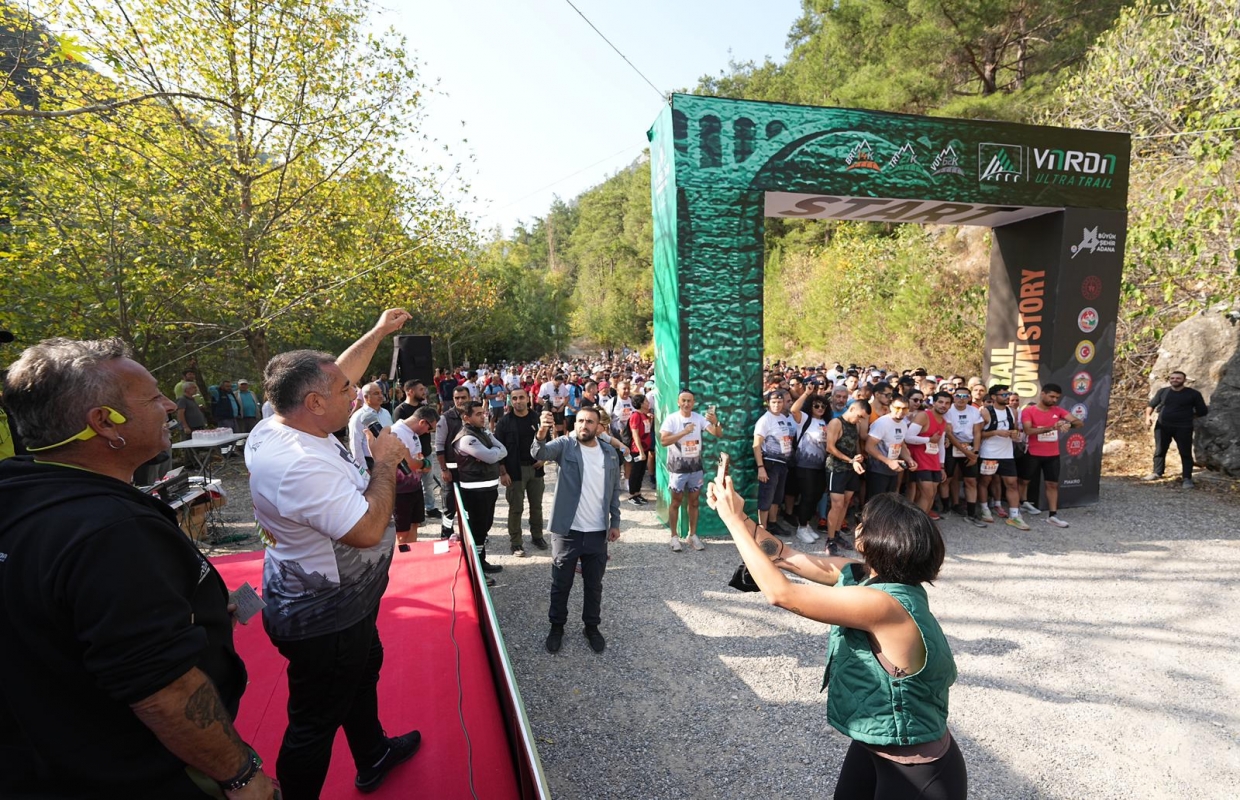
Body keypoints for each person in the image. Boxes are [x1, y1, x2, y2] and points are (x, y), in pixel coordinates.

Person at [1, 338, 275, 799]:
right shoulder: (113, 531)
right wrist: (242, 776)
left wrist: (192, 605)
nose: (169, 405)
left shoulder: (20, 490)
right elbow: (162, 689)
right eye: (152, 398)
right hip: (137, 771)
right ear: (105, 423)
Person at [245, 309, 422, 799]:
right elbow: (366, 530)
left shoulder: (281, 422)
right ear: (315, 403)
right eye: (347, 391)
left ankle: (373, 754)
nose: (357, 393)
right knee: (315, 722)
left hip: (345, 608)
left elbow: (337, 373)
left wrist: (379, 331)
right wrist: (385, 462)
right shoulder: (300, 464)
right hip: (325, 619)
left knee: (363, 673)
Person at [707, 479, 966, 800]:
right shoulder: (867, 576)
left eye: (862, 521)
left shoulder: (884, 605)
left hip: (919, 773)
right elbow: (784, 555)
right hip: (877, 745)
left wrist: (732, 520)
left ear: (875, 539)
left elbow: (782, 594)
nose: (856, 525)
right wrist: (738, 513)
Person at [533, 405, 622, 655]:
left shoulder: (609, 453)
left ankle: (591, 627)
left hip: (597, 533)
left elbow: (614, 490)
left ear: (599, 427)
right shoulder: (565, 445)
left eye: (590, 422)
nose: (584, 425)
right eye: (580, 421)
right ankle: (556, 627)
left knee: (594, 585)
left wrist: (615, 522)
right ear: (575, 424)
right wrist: (542, 431)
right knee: (561, 584)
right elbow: (539, 452)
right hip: (567, 532)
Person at [659, 390, 723, 552]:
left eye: (689, 401)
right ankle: (674, 537)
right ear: (678, 402)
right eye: (684, 401)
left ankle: (692, 535)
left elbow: (717, 434)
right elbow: (664, 441)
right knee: (676, 502)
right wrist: (683, 432)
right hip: (678, 468)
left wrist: (716, 422)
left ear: (693, 403)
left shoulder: (699, 418)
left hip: (695, 468)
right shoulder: (672, 419)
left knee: (694, 502)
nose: (686, 404)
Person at [452, 400, 508, 576]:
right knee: (477, 531)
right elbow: (492, 457)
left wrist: (492, 452)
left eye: (483, 413)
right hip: (474, 492)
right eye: (478, 414)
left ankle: (481, 562)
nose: (483, 417)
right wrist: (492, 453)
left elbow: (503, 450)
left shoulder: (483, 432)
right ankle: (475, 570)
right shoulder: (466, 438)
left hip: (488, 489)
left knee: (484, 529)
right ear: (466, 418)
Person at [1019, 383, 1083, 528]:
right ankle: (1022, 503)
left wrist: (1069, 425)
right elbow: (1028, 430)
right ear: (1043, 394)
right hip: (1033, 452)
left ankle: (1053, 515)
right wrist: (1052, 428)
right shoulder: (1029, 411)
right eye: (1051, 396)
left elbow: (1079, 423)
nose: (1054, 400)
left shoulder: (1058, 410)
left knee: (1052, 484)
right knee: (1024, 481)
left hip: (1052, 454)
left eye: (1057, 398)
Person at [496, 388, 548, 557]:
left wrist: (544, 459)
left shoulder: (537, 418)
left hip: (536, 469)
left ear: (527, 399)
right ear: (511, 401)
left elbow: (548, 441)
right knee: (516, 508)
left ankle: (537, 536)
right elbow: (498, 449)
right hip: (514, 471)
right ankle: (516, 542)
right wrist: (503, 472)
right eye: (514, 398)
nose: (518, 401)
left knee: (537, 507)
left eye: (521, 397)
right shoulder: (504, 422)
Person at [1143, 370, 1209, 488]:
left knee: (1185, 453)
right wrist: (1148, 417)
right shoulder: (1163, 392)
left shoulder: (1193, 394)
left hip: (1183, 427)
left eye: (1178, 378)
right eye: (1172, 378)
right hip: (1162, 426)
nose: (1175, 380)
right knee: (1160, 450)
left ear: (1184, 380)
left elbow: (1202, 411)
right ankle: (1157, 472)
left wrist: (1188, 415)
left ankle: (1187, 478)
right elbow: (1151, 405)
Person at [391, 406, 439, 551]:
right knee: (402, 533)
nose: (428, 432)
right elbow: (410, 463)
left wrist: (422, 463)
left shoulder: (413, 433)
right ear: (422, 422)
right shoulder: (397, 432)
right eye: (429, 429)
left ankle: (413, 558)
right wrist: (424, 464)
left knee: (414, 525)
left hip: (415, 487)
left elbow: (418, 458)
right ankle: (402, 561)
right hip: (400, 491)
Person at [394, 380, 441, 519]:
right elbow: (408, 461)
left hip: (423, 451)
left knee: (427, 483)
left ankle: (429, 507)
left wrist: (423, 461)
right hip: (405, 478)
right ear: (410, 391)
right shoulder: (401, 413)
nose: (424, 392)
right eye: (420, 389)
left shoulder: (424, 409)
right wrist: (422, 463)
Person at [754, 390, 797, 536]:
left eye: (779, 402)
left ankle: (772, 524)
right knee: (766, 496)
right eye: (773, 402)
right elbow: (756, 445)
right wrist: (760, 467)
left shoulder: (783, 418)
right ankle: (762, 529)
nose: (777, 405)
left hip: (782, 463)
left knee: (777, 497)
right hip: (770, 463)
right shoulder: (765, 420)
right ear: (768, 403)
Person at [626, 394, 654, 505]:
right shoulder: (635, 416)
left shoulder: (644, 415)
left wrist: (650, 420)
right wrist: (641, 451)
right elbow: (635, 434)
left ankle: (637, 493)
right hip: (637, 450)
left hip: (645, 448)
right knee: (635, 472)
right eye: (646, 401)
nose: (648, 402)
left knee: (641, 472)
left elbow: (647, 430)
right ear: (641, 404)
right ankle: (632, 495)